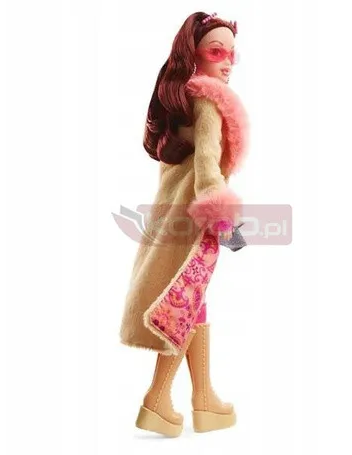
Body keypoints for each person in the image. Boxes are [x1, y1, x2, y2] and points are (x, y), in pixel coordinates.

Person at [119, 11, 249, 437]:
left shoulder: (178, 99)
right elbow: (208, 168)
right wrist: (224, 220)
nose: (227, 62)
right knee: (183, 306)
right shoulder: (208, 100)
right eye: (216, 52)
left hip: (172, 217)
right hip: (197, 221)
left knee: (191, 302)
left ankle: (204, 398)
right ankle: (157, 399)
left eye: (232, 54)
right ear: (196, 54)